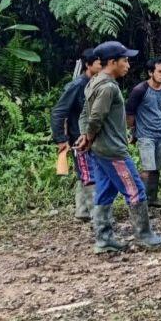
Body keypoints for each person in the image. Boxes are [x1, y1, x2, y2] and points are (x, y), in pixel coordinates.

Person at [76, 41, 161, 253]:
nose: (128, 64)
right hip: (112, 151)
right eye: (125, 60)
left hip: (99, 150)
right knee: (135, 190)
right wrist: (88, 135)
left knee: (104, 192)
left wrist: (85, 136)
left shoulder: (93, 82)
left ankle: (104, 238)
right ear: (112, 62)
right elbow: (96, 116)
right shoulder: (108, 87)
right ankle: (145, 236)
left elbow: (85, 113)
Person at [51, 48, 102, 221]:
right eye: (99, 63)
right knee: (89, 174)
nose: (102, 65)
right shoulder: (77, 85)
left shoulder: (96, 83)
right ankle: (97, 215)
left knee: (85, 173)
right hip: (78, 137)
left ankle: (82, 211)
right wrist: (61, 139)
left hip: (91, 136)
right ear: (88, 65)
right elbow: (58, 112)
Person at [126, 57, 161, 208]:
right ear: (150, 72)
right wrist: (132, 132)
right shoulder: (140, 90)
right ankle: (139, 201)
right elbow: (130, 113)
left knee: (156, 169)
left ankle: (152, 199)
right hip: (145, 135)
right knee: (147, 169)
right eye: (159, 71)